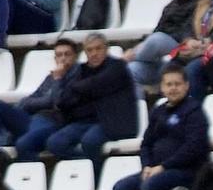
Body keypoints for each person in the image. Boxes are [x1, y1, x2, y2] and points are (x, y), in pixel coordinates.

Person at [46, 34, 141, 163]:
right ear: (85, 52)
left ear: (106, 49)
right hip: (84, 121)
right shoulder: (81, 70)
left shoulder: (117, 66)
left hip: (112, 122)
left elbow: (96, 84)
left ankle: (96, 176)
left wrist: (77, 87)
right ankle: (84, 165)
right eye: (89, 50)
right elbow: (63, 100)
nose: (94, 53)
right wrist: (74, 87)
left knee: (90, 141)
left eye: (98, 48)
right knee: (55, 143)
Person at [0, 38, 78, 159]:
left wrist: (57, 81)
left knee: (23, 144)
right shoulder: (50, 77)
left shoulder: (78, 76)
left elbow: (56, 102)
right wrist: (44, 101)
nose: (63, 58)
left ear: (75, 57)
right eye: (59, 55)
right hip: (34, 119)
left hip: (55, 124)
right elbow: (28, 101)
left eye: (67, 54)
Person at [125, 0, 208, 85]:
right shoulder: (171, 6)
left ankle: (127, 59)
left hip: (186, 48)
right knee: (132, 69)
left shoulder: (204, 1)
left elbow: (189, 30)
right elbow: (157, 31)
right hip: (167, 55)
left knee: (157, 40)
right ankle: (138, 104)